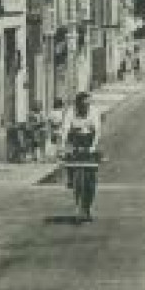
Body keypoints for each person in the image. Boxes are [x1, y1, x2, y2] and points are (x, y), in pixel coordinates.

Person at [59, 91, 103, 223]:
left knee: (90, 178)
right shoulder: (71, 112)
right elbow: (65, 130)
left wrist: (93, 147)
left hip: (89, 142)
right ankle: (72, 178)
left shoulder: (94, 112)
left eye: (88, 105)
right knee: (71, 162)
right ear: (78, 104)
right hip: (75, 141)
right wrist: (62, 146)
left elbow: (97, 131)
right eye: (83, 105)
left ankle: (88, 207)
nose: (86, 107)